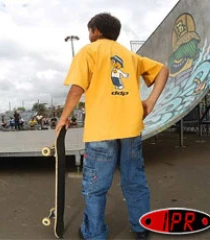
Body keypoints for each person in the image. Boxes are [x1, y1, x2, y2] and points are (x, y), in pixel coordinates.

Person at [55, 13, 169, 240]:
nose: (89, 34)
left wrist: (63, 118)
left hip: (101, 131)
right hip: (131, 128)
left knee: (96, 186)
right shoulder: (130, 56)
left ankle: (94, 234)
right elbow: (163, 70)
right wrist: (150, 102)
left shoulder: (88, 51)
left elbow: (77, 89)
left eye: (89, 30)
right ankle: (141, 228)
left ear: (95, 30)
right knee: (134, 181)